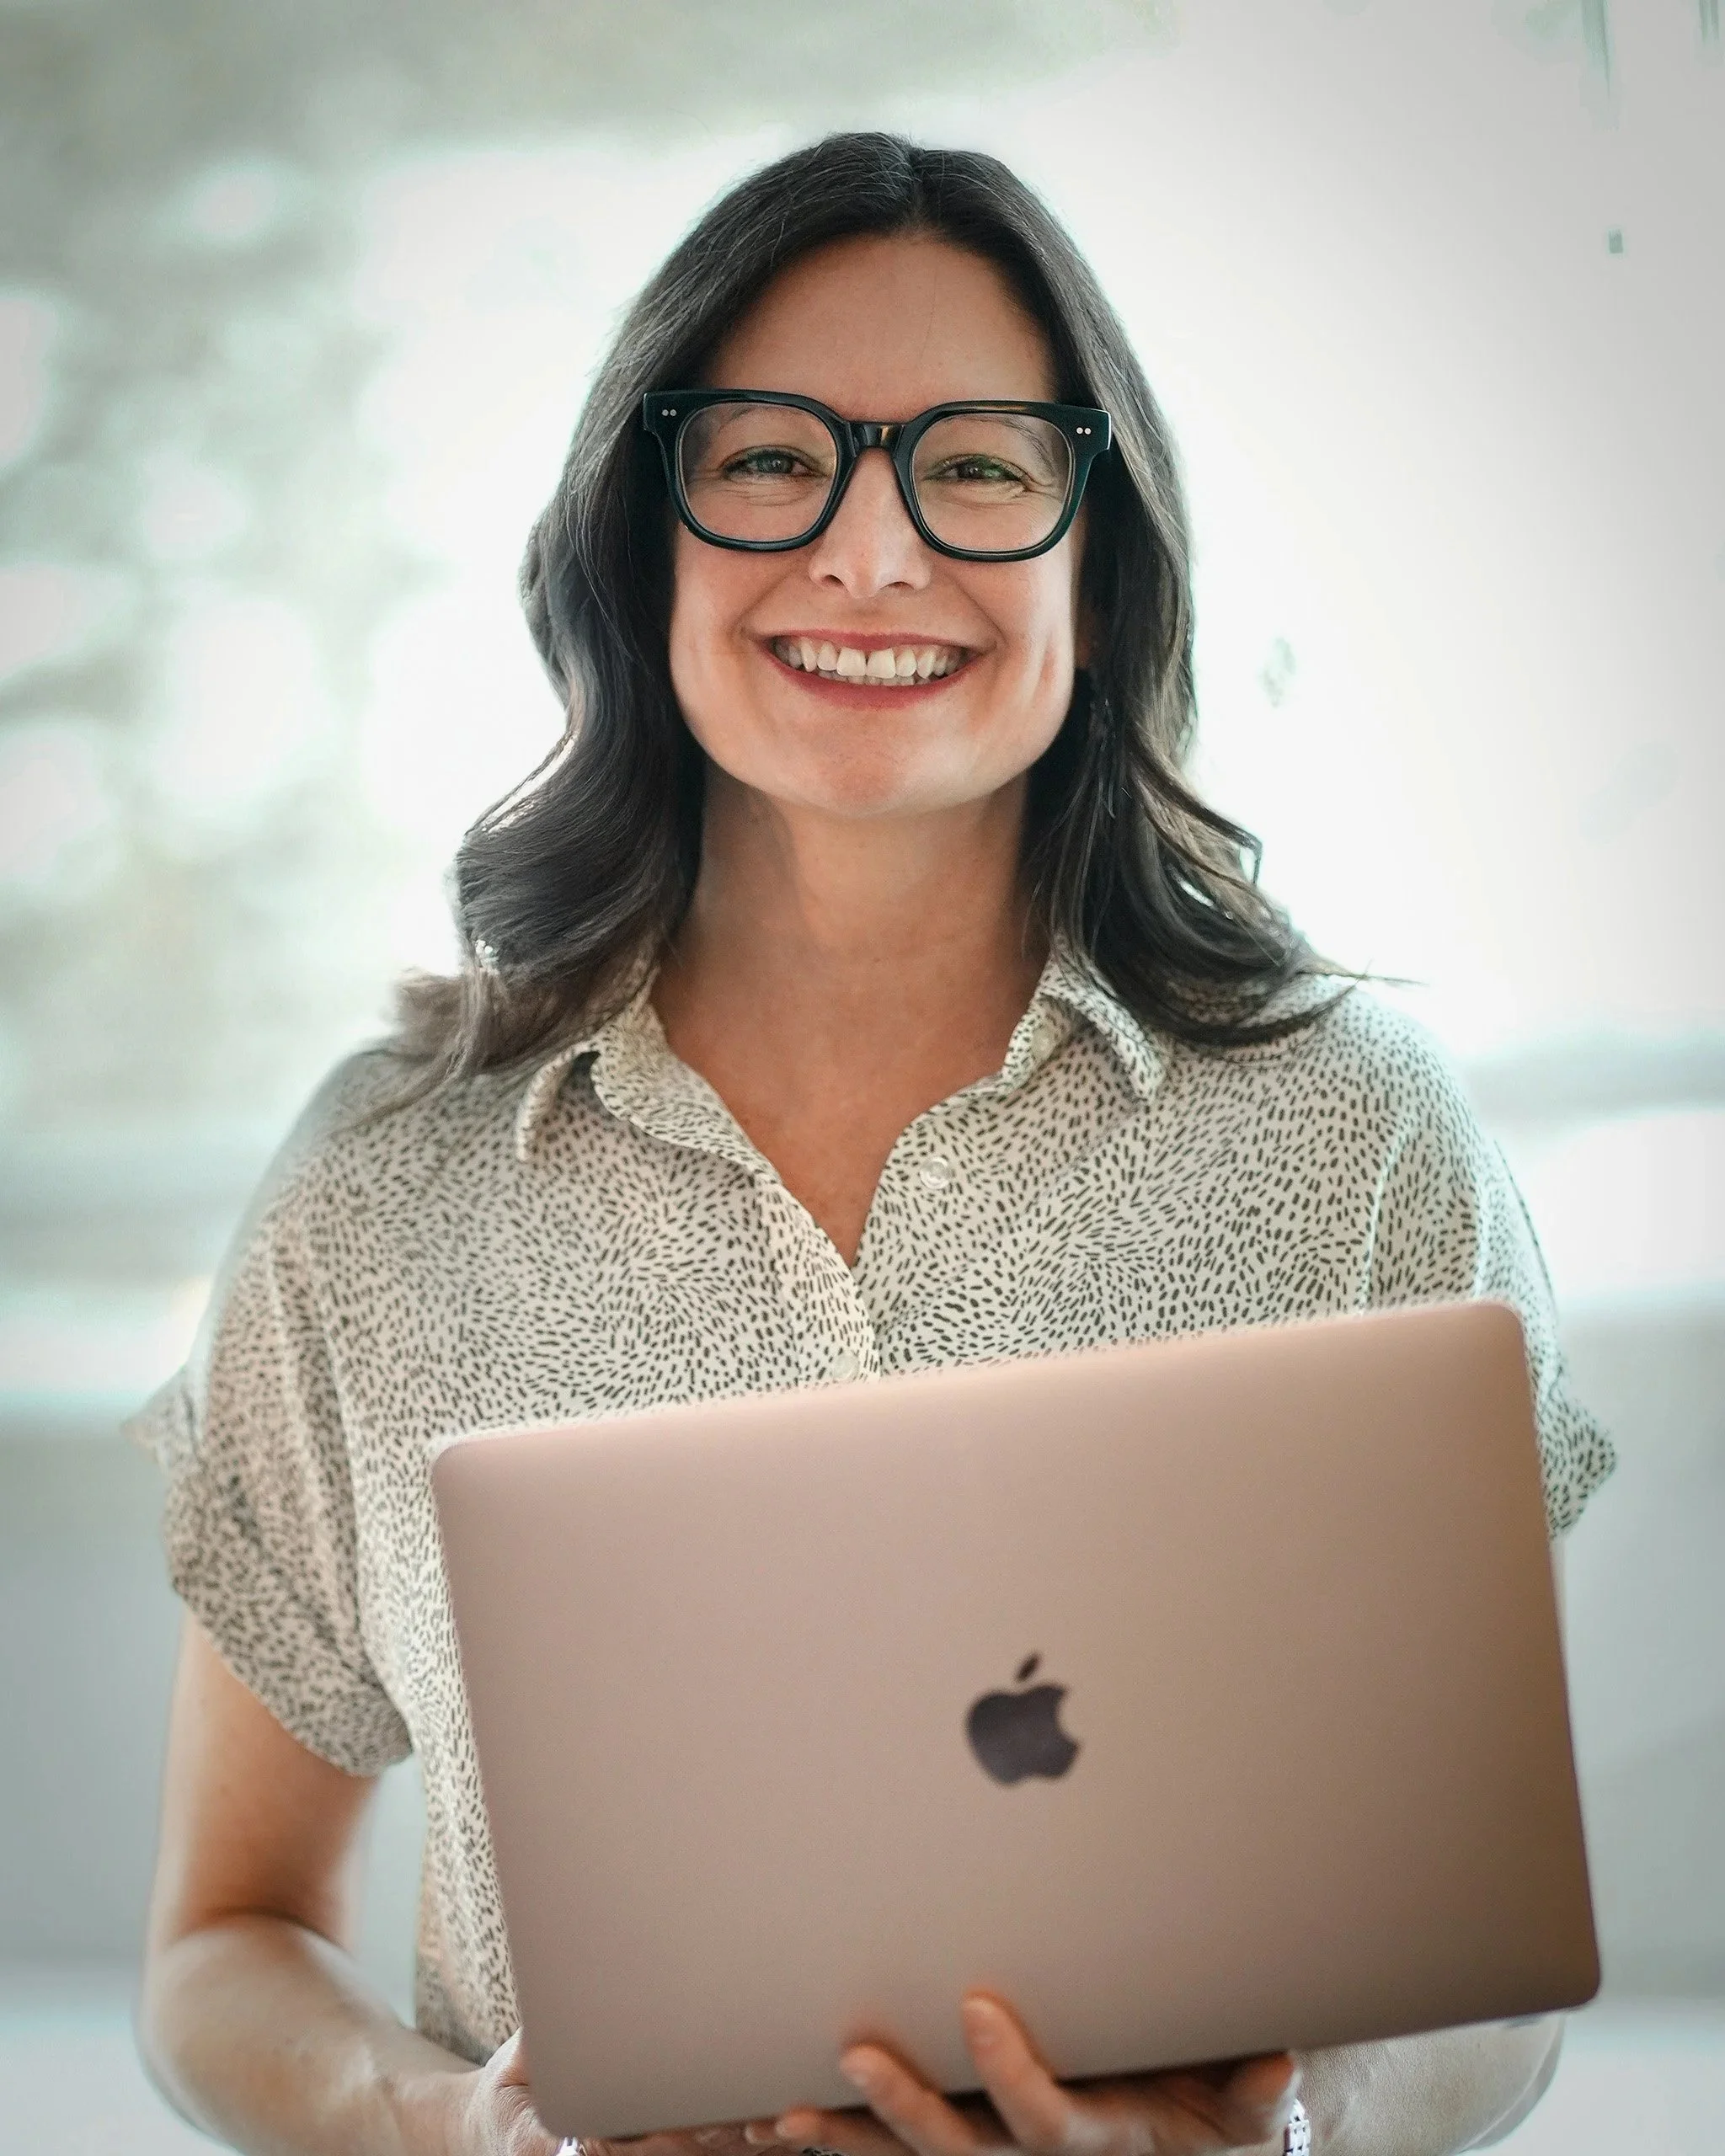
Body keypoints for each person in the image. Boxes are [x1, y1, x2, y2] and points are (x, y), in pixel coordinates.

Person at [128, 132, 1614, 2156]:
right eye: (768, 458)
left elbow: (1495, 1962)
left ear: (1100, 563)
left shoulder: (1358, 1130)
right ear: (640, 538)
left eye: (977, 467)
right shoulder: (386, 1180)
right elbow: (227, 1933)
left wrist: (1277, 2133)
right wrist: (461, 2128)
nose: (868, 552)